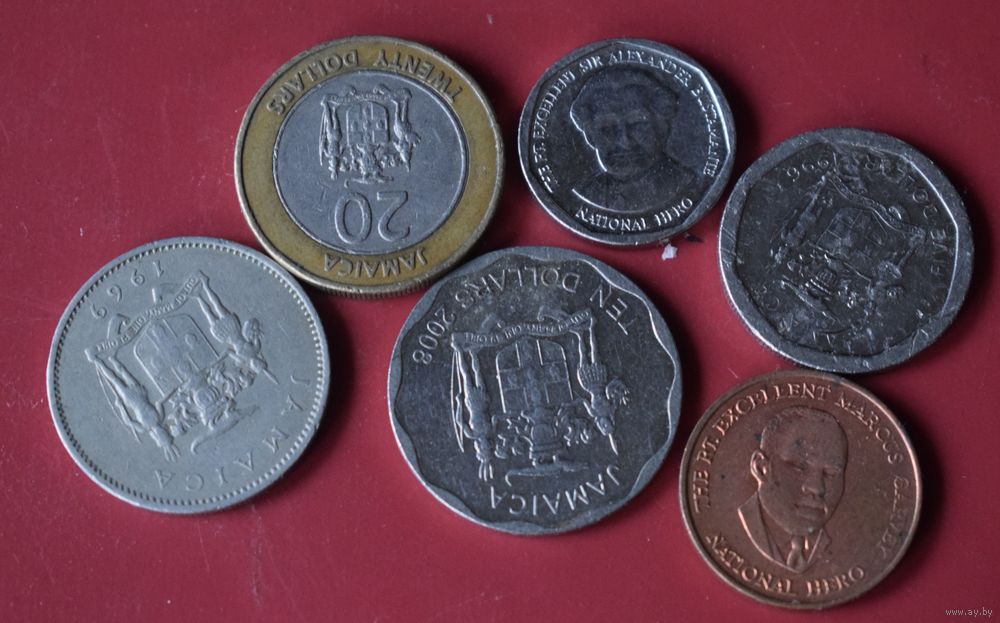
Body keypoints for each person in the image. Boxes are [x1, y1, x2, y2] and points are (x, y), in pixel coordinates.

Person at [569, 68, 696, 213]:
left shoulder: (685, 184)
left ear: (661, 129)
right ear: (590, 136)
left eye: (637, 124)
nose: (625, 141)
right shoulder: (587, 194)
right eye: (608, 128)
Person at [738, 407, 847, 573]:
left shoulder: (853, 543)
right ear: (761, 468)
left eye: (831, 473)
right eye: (799, 467)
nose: (817, 488)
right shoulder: (726, 527)